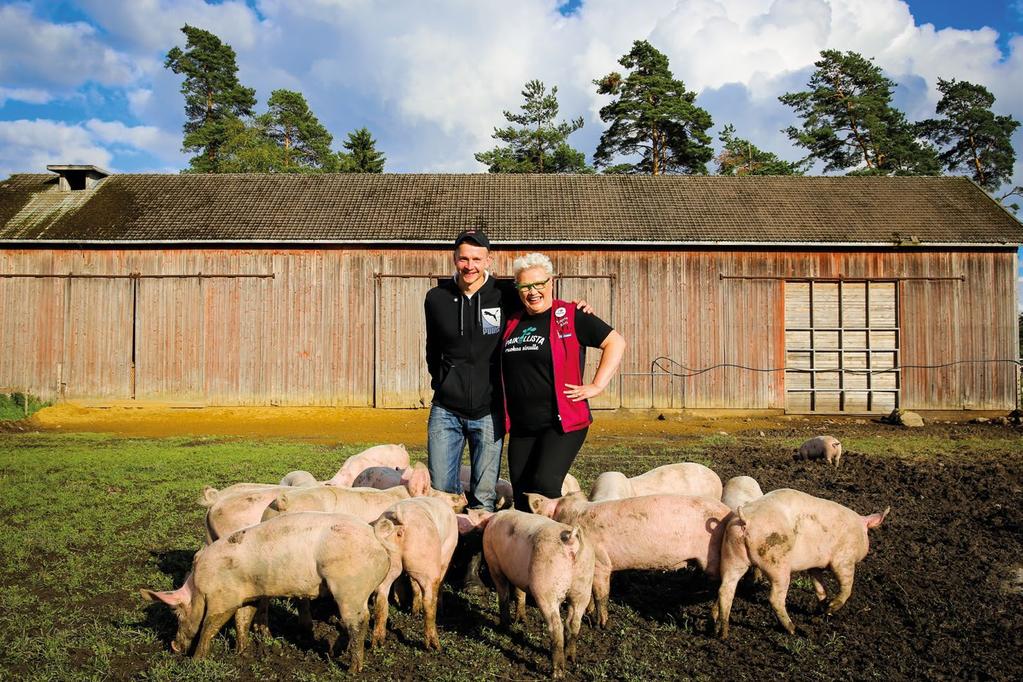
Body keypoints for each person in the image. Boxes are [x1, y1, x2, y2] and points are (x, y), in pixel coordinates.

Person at [500, 252, 626, 512]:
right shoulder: (512, 320)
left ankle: (556, 548)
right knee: (523, 496)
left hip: (561, 422)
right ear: (517, 289)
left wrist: (597, 385)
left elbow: (615, 342)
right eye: (525, 286)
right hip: (522, 426)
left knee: (544, 488)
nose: (533, 291)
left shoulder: (571, 315)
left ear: (551, 282)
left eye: (539, 284)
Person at [424, 228, 512, 513]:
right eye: (463, 258)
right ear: (454, 259)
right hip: (446, 410)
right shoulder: (436, 298)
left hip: (489, 410)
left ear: (489, 260)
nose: (469, 265)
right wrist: (443, 381)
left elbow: (542, 305)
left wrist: (575, 309)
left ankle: (478, 553)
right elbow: (432, 347)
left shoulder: (505, 295)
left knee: (484, 498)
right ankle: (449, 555)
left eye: (476, 258)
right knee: (441, 494)